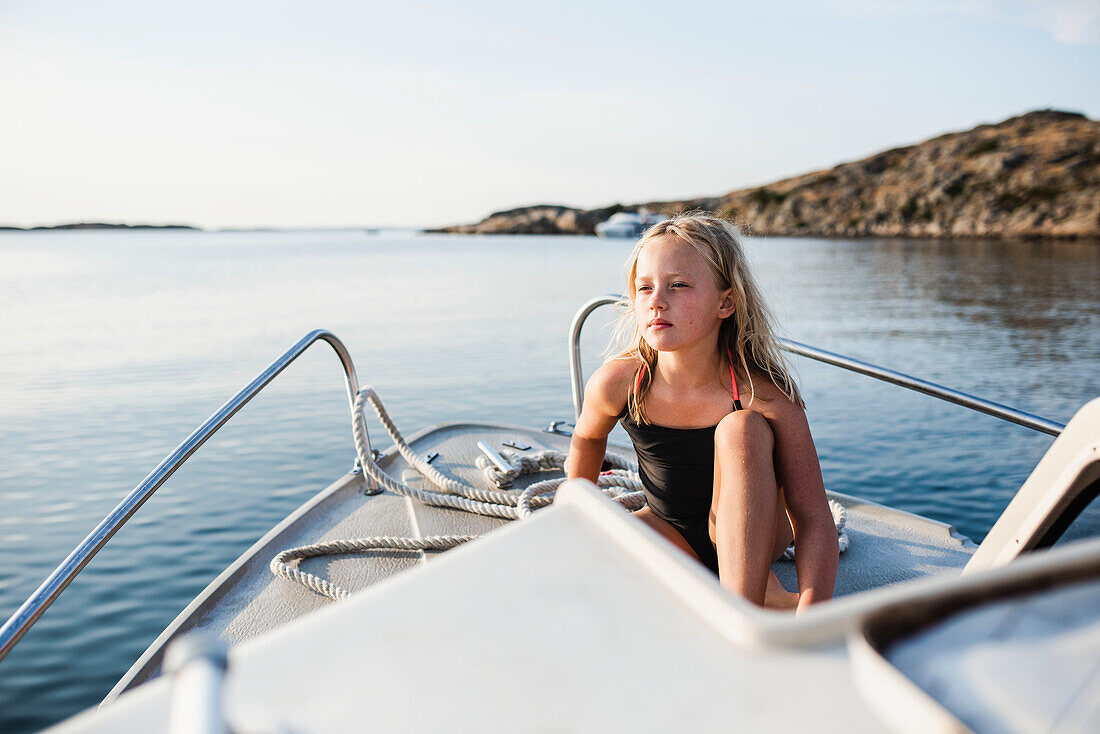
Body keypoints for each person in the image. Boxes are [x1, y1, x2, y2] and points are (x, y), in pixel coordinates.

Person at [567, 213, 838, 612]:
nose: (657, 300)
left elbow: (813, 516)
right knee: (600, 543)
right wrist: (572, 515)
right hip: (667, 529)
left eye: (678, 285)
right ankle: (744, 590)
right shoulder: (620, 383)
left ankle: (742, 607)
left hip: (758, 533)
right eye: (645, 288)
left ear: (726, 302)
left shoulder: (761, 395)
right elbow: (588, 438)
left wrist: (812, 614)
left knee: (741, 429)